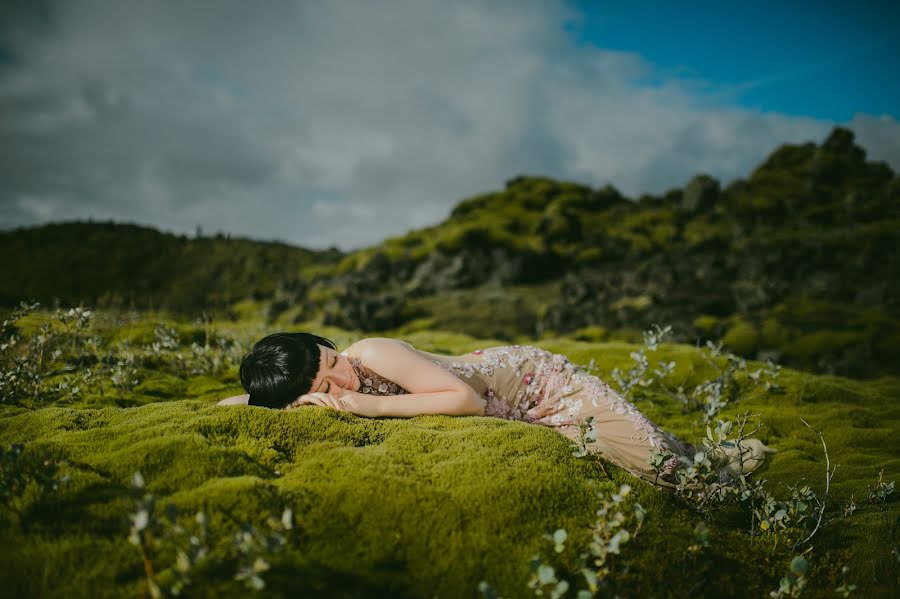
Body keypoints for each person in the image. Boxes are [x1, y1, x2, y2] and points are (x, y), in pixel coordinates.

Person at [218, 332, 775, 490]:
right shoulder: (304, 395)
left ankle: (718, 460)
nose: (339, 374)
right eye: (324, 381)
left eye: (330, 358)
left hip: (540, 388)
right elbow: (243, 403)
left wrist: (361, 404)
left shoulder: (374, 353)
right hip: (512, 413)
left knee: (668, 474)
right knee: (642, 458)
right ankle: (689, 449)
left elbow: (465, 401)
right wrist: (253, 402)